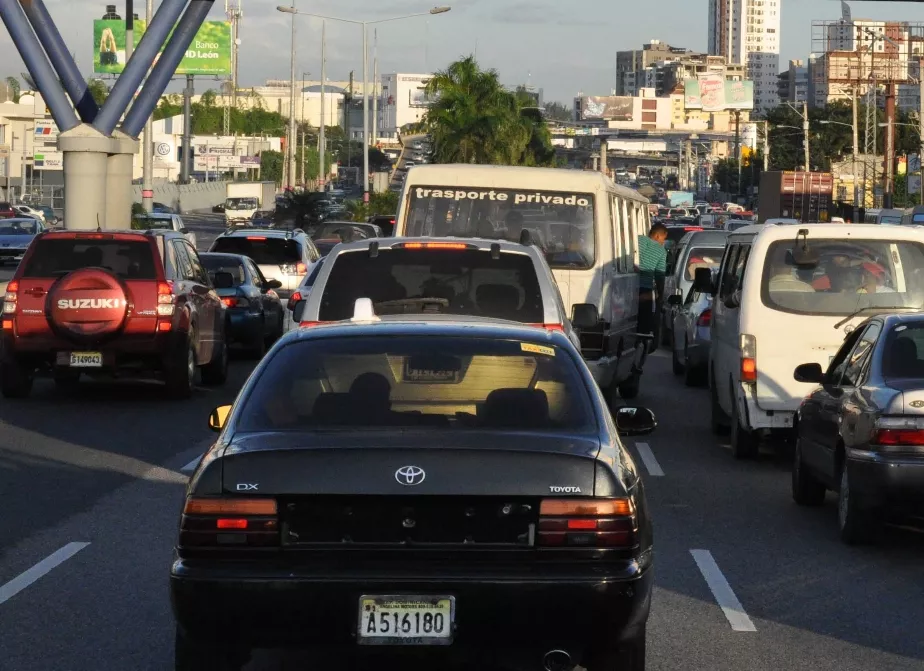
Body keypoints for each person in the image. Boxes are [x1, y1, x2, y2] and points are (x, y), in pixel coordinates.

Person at [636, 223, 668, 348]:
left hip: (626, 288)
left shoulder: (637, 239)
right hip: (645, 291)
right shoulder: (661, 251)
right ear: (657, 235)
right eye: (663, 239)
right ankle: (640, 345)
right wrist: (660, 295)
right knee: (643, 327)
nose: (663, 242)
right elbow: (660, 276)